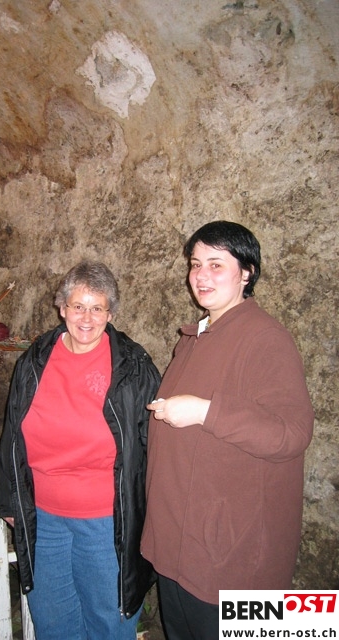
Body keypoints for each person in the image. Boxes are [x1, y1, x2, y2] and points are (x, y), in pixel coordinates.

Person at [141, 220, 314, 640]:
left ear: (247, 273)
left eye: (216, 264)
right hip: (179, 546)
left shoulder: (266, 339)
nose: (201, 275)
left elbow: (291, 433)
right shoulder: (195, 338)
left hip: (229, 558)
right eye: (195, 264)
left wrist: (205, 411)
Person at [0, 260, 161, 640]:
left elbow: (152, 443)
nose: (86, 318)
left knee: (109, 623)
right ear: (62, 308)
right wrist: (9, 501)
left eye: (97, 308)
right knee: (53, 622)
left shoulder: (132, 366)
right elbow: (11, 432)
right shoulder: (35, 360)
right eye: (78, 306)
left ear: (111, 313)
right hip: (43, 520)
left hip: (106, 523)